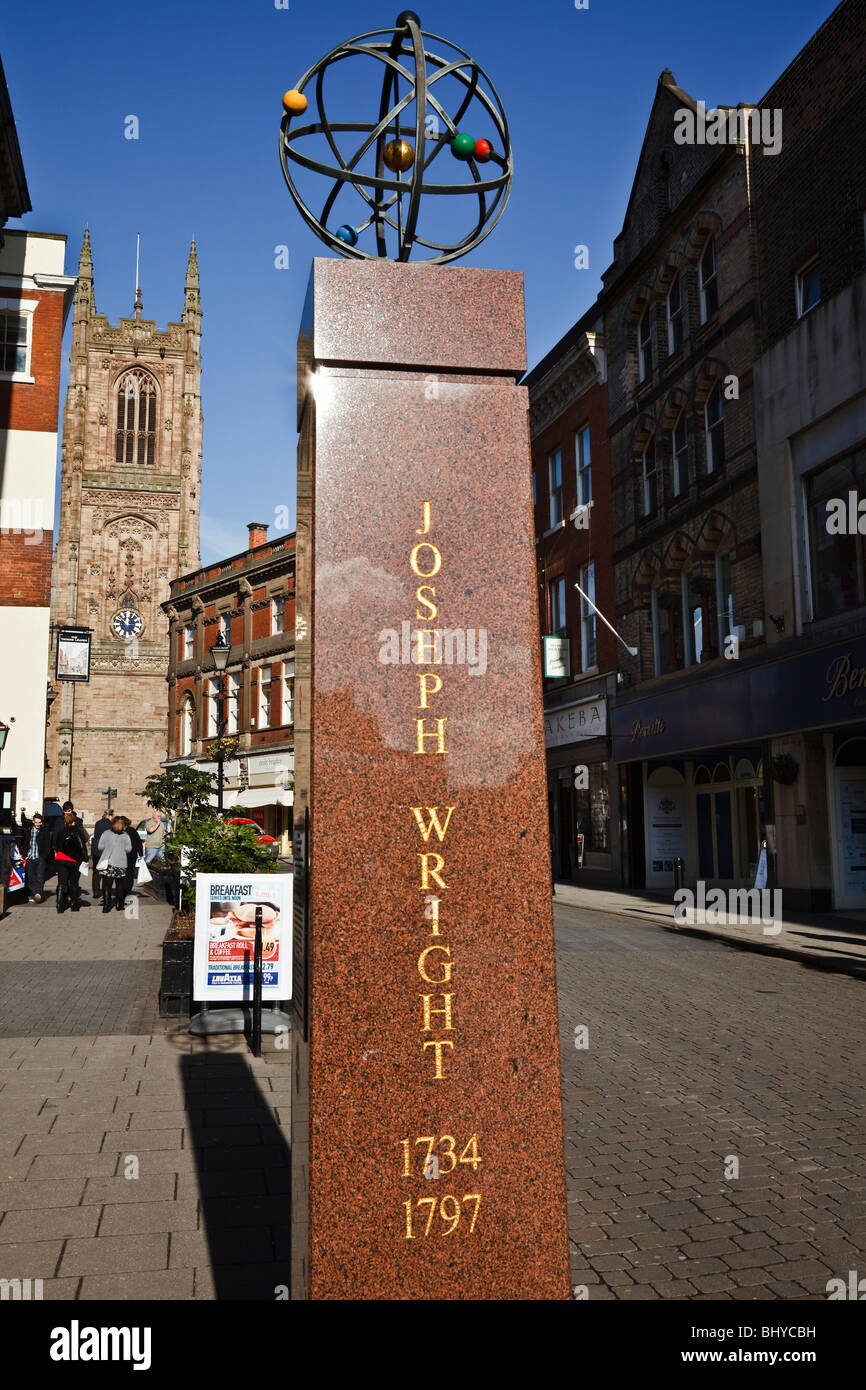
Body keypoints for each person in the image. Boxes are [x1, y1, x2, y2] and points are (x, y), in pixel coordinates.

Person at [52, 805, 89, 913]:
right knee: (74, 883)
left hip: (61, 859)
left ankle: (59, 905)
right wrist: (85, 859)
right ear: (73, 821)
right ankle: (74, 904)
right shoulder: (76, 832)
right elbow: (82, 847)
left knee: (61, 883)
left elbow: (57, 845)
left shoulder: (60, 832)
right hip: (73, 861)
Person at [96, 817, 132, 913]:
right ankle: (119, 905)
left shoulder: (106, 833)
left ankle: (106, 905)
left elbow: (100, 847)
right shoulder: (126, 835)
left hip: (108, 863)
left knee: (107, 885)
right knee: (120, 885)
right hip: (121, 863)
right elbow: (129, 849)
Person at [24, 813, 53, 903]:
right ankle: (34, 894)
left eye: (39, 822)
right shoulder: (28, 831)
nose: (38, 824)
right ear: (33, 821)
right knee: (31, 877)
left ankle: (38, 894)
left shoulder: (44, 831)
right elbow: (25, 843)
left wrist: (44, 856)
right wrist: (25, 854)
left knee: (40, 877)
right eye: (36, 822)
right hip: (30, 857)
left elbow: (48, 845)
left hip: (40, 857)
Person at [91, 810, 112, 898]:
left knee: (96, 872)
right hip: (106, 850)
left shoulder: (97, 823)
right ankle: (105, 891)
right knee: (106, 872)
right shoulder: (110, 824)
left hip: (96, 850)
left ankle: (96, 892)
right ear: (110, 815)